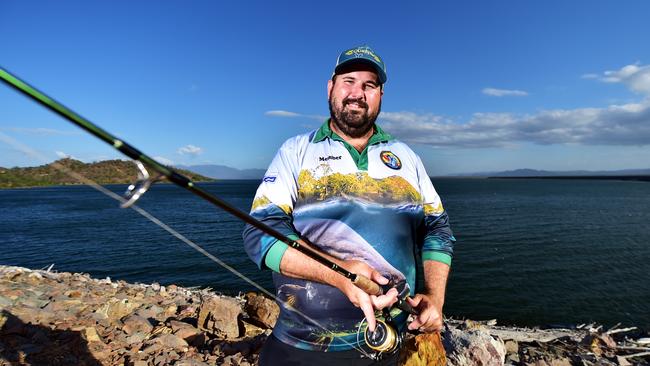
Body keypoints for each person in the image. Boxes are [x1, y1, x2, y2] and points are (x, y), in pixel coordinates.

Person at [242, 45, 455, 365]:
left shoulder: (406, 156)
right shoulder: (295, 151)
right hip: (300, 346)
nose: (357, 93)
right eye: (349, 81)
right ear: (331, 87)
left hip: (389, 343)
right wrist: (339, 273)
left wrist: (435, 298)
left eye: (369, 85)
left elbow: (437, 227)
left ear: (381, 95)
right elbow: (259, 235)